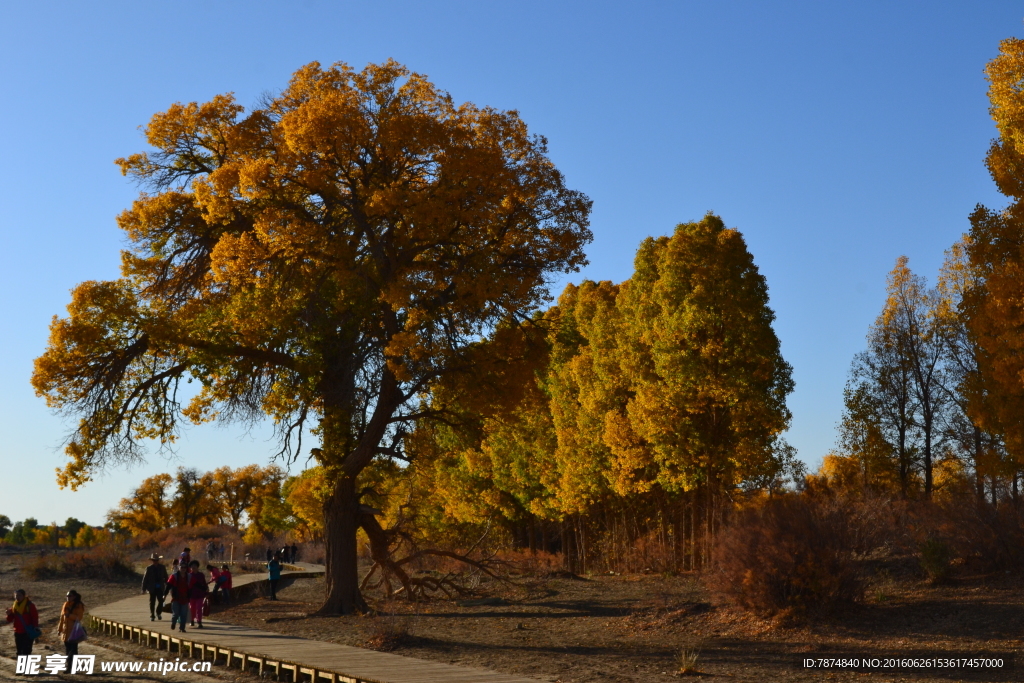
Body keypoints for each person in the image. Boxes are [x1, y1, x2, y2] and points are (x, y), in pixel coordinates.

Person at [6, 589, 39, 656]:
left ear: (24, 596)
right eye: (16, 595)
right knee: (19, 652)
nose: (17, 597)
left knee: (26, 652)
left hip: (27, 632)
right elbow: (10, 619)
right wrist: (8, 614)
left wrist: (35, 629)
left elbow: (35, 618)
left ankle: (26, 666)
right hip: (18, 632)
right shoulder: (14, 606)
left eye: (19, 595)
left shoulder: (30, 605)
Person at [57, 590, 85, 662]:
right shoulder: (65, 605)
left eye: (70, 596)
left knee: (73, 650)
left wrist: (69, 616)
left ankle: (71, 667)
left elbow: (79, 617)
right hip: (65, 631)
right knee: (67, 649)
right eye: (67, 596)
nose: (68, 597)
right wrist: (59, 629)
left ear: (74, 596)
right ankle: (69, 666)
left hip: (74, 631)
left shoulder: (78, 605)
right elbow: (62, 618)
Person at [163, 563, 191, 633]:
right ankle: (173, 622)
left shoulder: (189, 576)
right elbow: (168, 586)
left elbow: (195, 584)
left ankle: (182, 628)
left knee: (184, 614)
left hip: (185, 597)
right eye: (182, 567)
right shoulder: (174, 576)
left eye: (185, 567)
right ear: (179, 568)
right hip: (176, 597)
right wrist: (164, 595)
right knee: (176, 614)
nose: (183, 569)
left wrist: (204, 588)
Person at [141, 553, 168, 621]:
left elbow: (166, 577)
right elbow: (145, 579)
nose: (155, 561)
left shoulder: (162, 567)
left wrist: (168, 586)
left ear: (158, 560)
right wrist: (143, 589)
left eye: (156, 560)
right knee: (152, 602)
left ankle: (158, 612)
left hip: (160, 587)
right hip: (152, 588)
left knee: (161, 601)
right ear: (152, 561)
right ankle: (152, 615)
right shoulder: (149, 568)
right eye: (154, 560)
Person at [187, 560, 208, 628]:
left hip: (200, 594)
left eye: (195, 566)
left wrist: (206, 591)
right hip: (191, 595)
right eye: (192, 566)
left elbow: (204, 583)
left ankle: (199, 621)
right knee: (192, 608)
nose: (193, 567)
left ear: (197, 567)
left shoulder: (201, 575)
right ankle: (192, 620)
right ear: (190, 568)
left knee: (199, 608)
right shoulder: (189, 575)